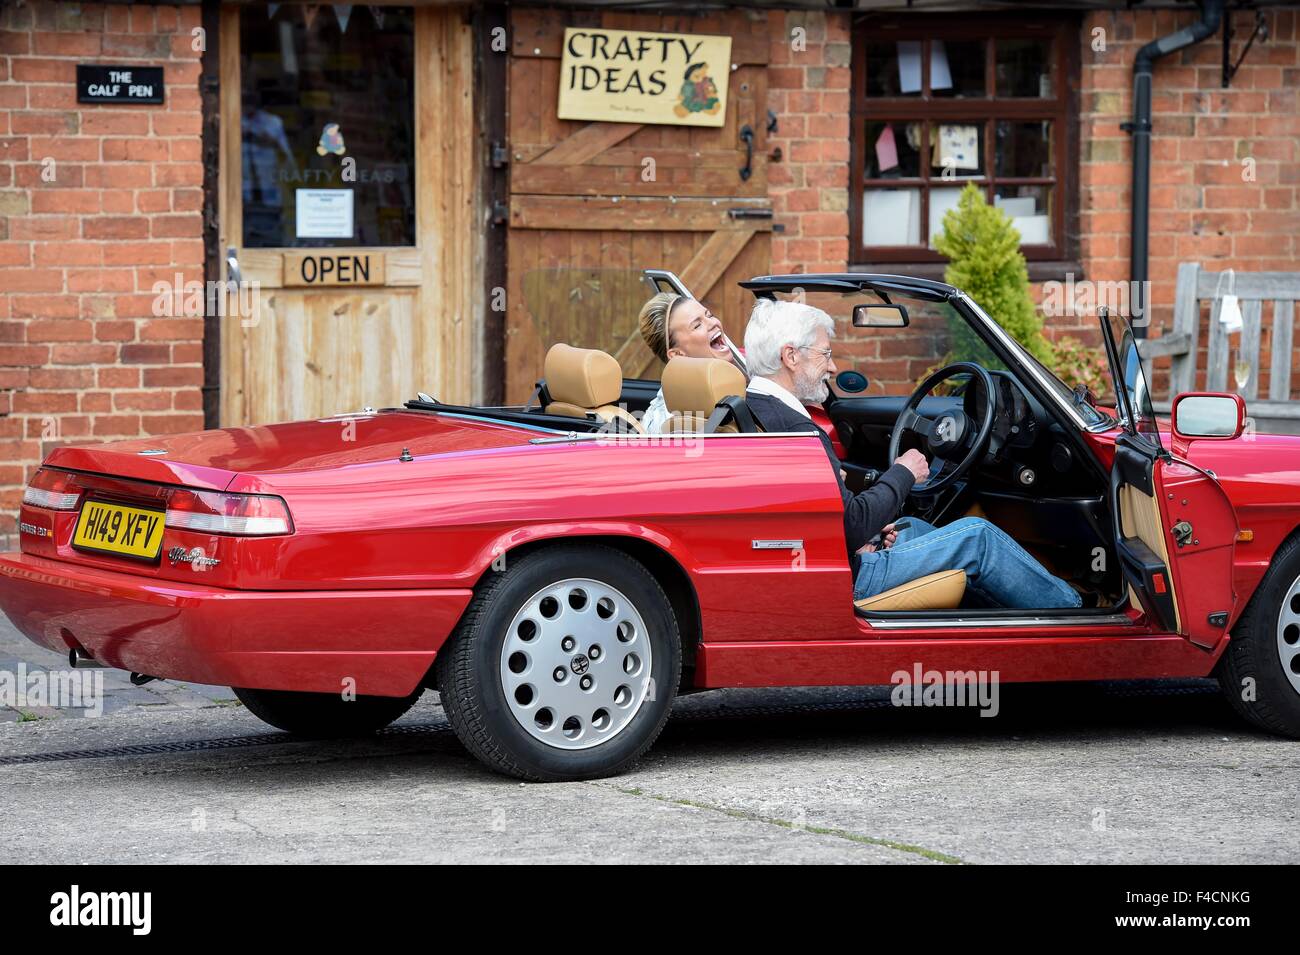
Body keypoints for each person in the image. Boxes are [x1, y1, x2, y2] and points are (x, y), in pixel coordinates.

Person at [741, 298, 1081, 610]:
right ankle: (1074, 613)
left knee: (911, 528)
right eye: (825, 354)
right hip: (852, 576)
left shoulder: (759, 409)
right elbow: (851, 526)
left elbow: (835, 522)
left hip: (834, 555)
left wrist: (867, 535)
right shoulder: (797, 429)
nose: (832, 368)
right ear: (791, 356)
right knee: (978, 536)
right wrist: (904, 472)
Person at [636, 292, 742, 434]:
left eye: (709, 315)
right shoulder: (669, 427)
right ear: (677, 355)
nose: (713, 323)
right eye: (697, 325)